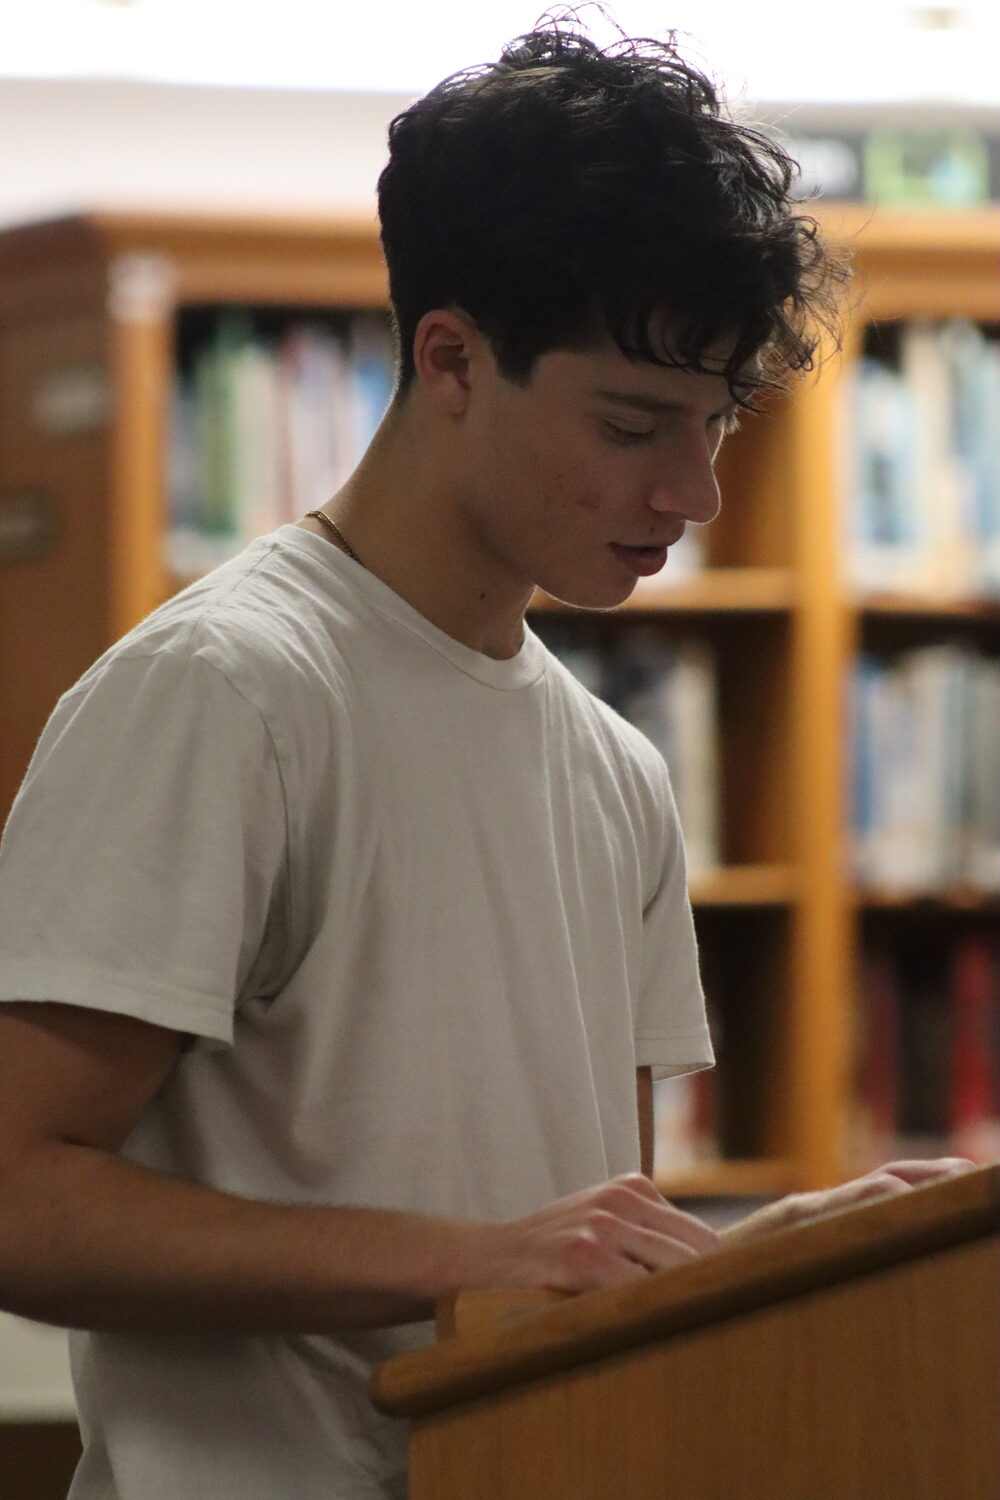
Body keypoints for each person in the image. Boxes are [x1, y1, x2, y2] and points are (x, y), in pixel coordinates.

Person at [0, 18, 972, 1500]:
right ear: (449, 359)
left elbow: (562, 1266)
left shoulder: (617, 772)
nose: (696, 492)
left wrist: (769, 1248)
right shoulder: (225, 692)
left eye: (715, 426)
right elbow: (17, 1195)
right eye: (637, 423)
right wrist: (468, 1260)